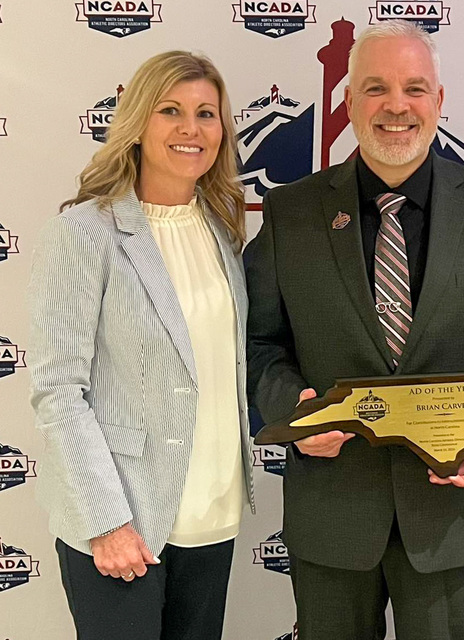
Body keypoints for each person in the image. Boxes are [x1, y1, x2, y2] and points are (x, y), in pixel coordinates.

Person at [245, 19, 464, 640]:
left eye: (415, 89)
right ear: (347, 102)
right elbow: (261, 342)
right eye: (375, 89)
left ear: (439, 101)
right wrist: (293, 411)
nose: (397, 106)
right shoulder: (292, 212)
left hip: (454, 512)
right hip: (333, 513)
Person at [28, 51, 254, 640]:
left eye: (207, 113)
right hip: (125, 519)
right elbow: (58, 390)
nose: (191, 128)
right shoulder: (85, 232)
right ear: (137, 122)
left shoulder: (222, 230)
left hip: (212, 513)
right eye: (171, 110)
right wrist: (106, 520)